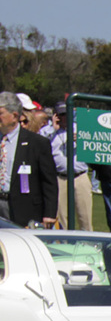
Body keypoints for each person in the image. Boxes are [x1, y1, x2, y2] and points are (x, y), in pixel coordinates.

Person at [0, 92, 59, 226]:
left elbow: (49, 182)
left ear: (14, 115)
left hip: (23, 209)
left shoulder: (37, 143)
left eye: (0, 113)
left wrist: (49, 214)